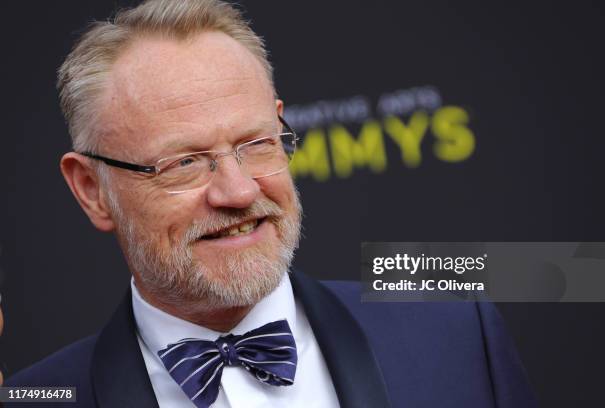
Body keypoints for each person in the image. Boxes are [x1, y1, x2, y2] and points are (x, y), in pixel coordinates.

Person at [6, 1, 537, 407]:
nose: (238, 192)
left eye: (257, 143)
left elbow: (576, 271)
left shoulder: (456, 327)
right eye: (184, 162)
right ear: (91, 190)